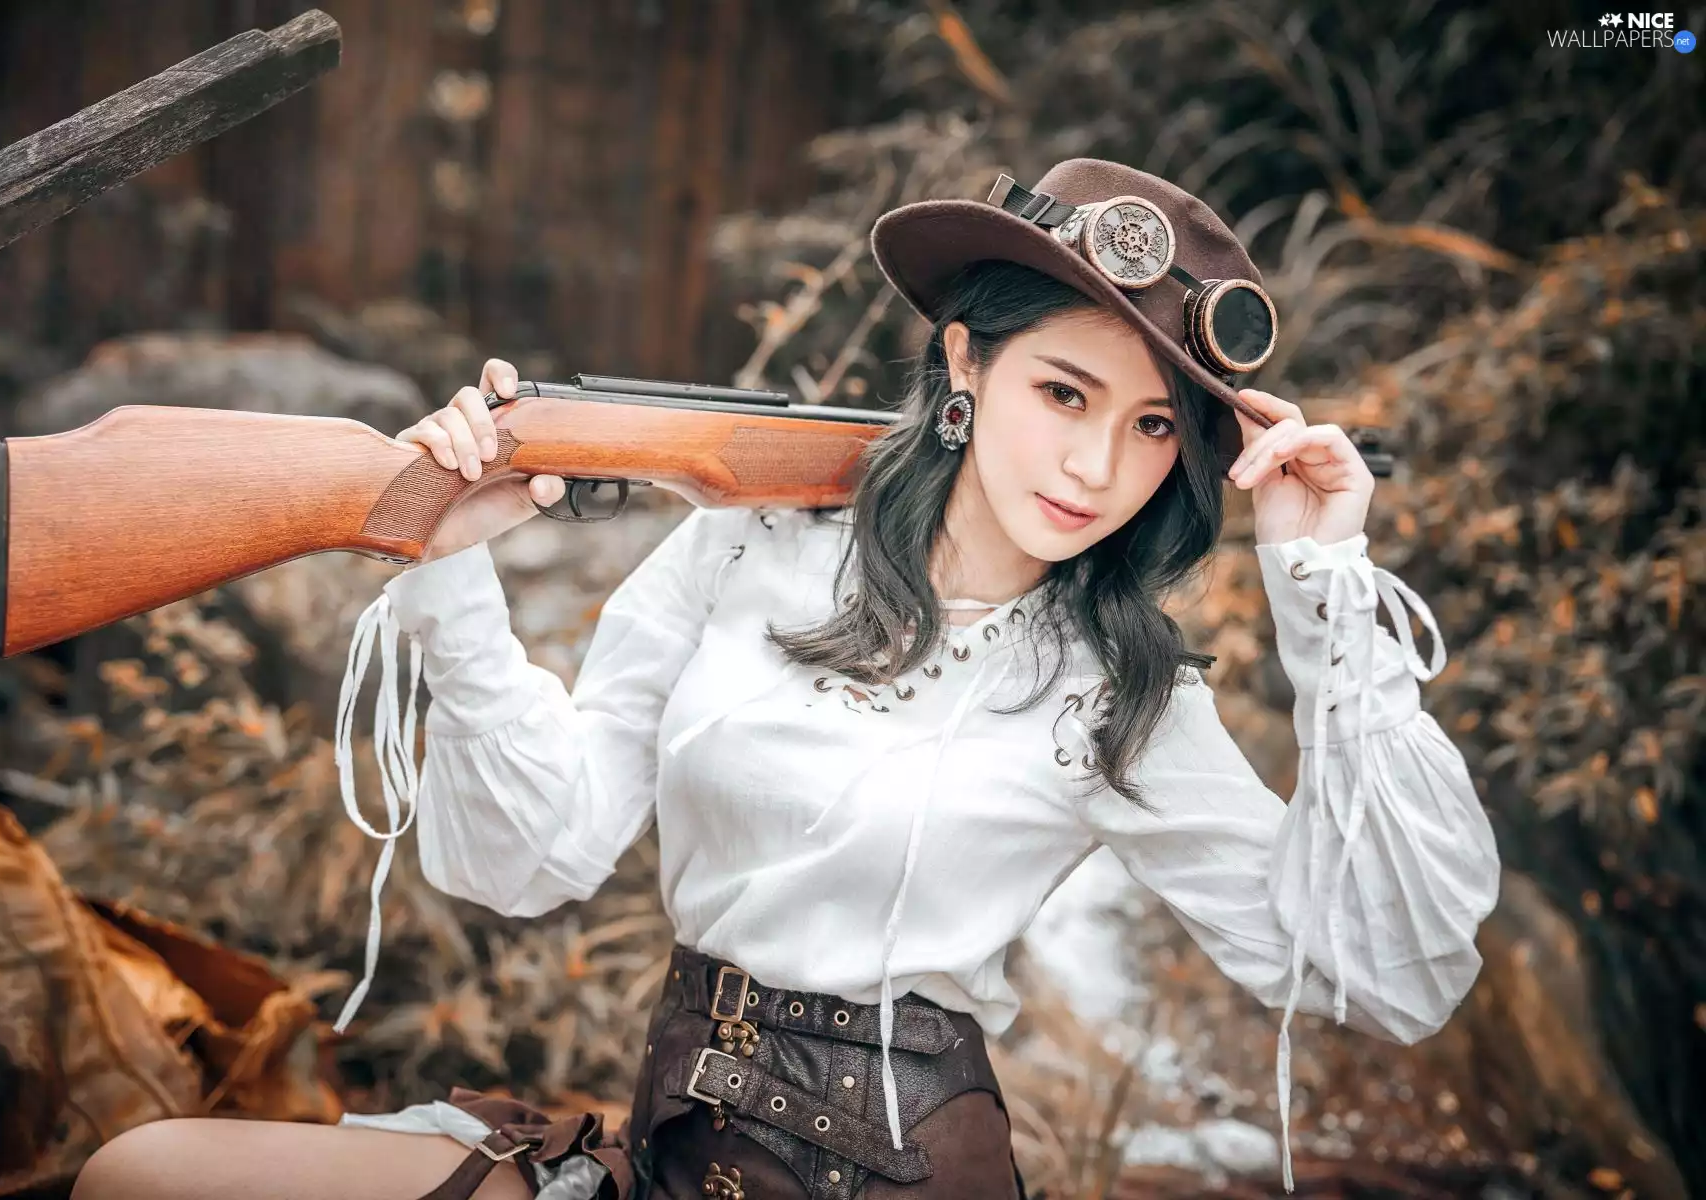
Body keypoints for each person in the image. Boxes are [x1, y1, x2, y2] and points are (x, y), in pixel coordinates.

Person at [73, 159, 1499, 1200]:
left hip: (910, 1177)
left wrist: (1327, 589)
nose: (1095, 468)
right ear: (965, 362)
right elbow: (531, 858)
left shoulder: (1115, 689)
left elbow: (1386, 974)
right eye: (1061, 394)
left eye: (1148, 431)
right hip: (678, 1157)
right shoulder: (742, 550)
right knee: (145, 1176)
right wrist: (449, 563)